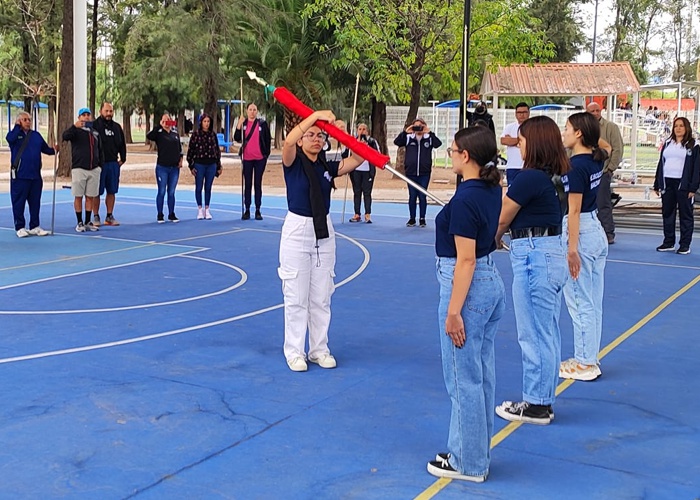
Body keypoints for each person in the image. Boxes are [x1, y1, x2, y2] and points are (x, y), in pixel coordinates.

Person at [426, 126, 505, 483]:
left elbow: (466, 260)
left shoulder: (467, 198)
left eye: (453, 150)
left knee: (462, 380)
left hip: (469, 290)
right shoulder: (487, 189)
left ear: (466, 156)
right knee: (481, 375)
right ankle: (471, 449)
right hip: (490, 284)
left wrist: (454, 311)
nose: (449, 155)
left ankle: (469, 462)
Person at [494, 116, 569, 425]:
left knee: (534, 332)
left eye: (522, 140)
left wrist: (492, 238)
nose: (519, 144)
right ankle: (543, 398)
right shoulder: (557, 176)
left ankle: (537, 403)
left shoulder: (529, 179)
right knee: (546, 331)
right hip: (549, 251)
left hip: (534, 255)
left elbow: (501, 216)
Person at [279, 110, 367, 372]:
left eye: (320, 135)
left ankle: (319, 348)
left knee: (321, 294)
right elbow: (287, 142)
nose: (316, 139)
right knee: (296, 295)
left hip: (323, 231)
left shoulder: (327, 166)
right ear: (302, 139)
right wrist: (315, 116)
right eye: (310, 135)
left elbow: (359, 157)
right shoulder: (292, 161)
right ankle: (294, 351)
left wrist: (343, 134)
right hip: (297, 229)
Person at [559, 112, 611, 381]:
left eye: (567, 128)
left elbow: (574, 209)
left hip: (581, 231)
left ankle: (584, 361)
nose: (563, 132)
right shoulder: (595, 158)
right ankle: (589, 355)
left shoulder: (576, 166)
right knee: (593, 301)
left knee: (580, 301)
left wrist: (571, 248)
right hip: (595, 230)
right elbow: (607, 147)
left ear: (579, 133)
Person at [6, 112, 58, 237]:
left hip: (35, 176)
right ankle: (20, 227)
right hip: (20, 176)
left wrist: (54, 150)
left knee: (35, 202)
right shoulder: (15, 135)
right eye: (25, 120)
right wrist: (17, 127)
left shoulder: (35, 135)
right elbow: (9, 139)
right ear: (19, 121)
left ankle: (35, 225)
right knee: (19, 202)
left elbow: (46, 149)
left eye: (29, 119)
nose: (28, 122)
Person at [653, 117, 700, 254]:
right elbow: (661, 164)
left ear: (687, 128)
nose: (678, 128)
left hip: (683, 185)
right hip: (667, 183)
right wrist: (657, 183)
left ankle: (685, 244)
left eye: (681, 126)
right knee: (667, 213)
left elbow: (697, 168)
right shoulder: (668, 143)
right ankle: (668, 242)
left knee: (685, 215)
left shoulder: (694, 145)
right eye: (676, 126)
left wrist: (693, 187)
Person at [393, 118, 442, 227]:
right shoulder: (409, 138)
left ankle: (422, 218)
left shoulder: (428, 139)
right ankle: (412, 218)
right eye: (416, 126)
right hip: (411, 173)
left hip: (424, 173)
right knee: (412, 196)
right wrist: (406, 131)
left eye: (420, 126)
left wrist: (429, 132)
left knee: (422, 195)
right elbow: (397, 142)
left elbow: (438, 144)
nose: (418, 128)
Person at [586, 102, 623, 244]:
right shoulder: (583, 129)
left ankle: (608, 233)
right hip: (585, 172)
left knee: (603, 203)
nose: (595, 113)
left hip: (603, 172)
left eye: (597, 110)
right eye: (592, 111)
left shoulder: (611, 127)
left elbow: (617, 149)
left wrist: (610, 169)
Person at [62, 107, 103, 233]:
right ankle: (79, 221)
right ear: (79, 117)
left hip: (94, 168)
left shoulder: (94, 133)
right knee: (78, 196)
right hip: (79, 168)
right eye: (83, 115)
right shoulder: (75, 131)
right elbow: (65, 136)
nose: (86, 117)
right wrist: (75, 126)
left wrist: (100, 165)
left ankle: (87, 221)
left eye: (88, 115)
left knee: (90, 196)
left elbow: (100, 149)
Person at [234, 103, 272, 220]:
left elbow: (267, 139)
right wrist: (239, 125)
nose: (252, 112)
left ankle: (258, 209)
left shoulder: (262, 124)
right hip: (247, 159)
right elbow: (237, 138)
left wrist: (266, 155)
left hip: (260, 158)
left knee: (257, 184)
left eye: (254, 110)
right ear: (246, 111)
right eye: (250, 109)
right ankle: (247, 209)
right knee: (248, 184)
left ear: (257, 111)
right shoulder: (244, 124)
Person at [92, 102, 126, 227]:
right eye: (106, 111)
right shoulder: (94, 126)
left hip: (113, 164)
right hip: (99, 165)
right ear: (101, 111)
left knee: (111, 191)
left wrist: (123, 159)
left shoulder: (117, 127)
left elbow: (122, 144)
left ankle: (109, 216)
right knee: (96, 192)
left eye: (111, 111)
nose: (109, 114)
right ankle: (95, 216)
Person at [146, 113, 183, 223]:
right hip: (162, 167)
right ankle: (160, 214)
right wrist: (159, 126)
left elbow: (179, 149)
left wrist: (181, 160)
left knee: (171, 192)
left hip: (174, 168)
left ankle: (171, 213)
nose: (167, 122)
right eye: (165, 120)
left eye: (169, 120)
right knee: (161, 191)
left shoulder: (175, 134)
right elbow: (150, 136)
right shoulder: (159, 133)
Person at [186, 113, 221, 220]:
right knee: (199, 187)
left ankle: (207, 209)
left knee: (208, 187)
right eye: (204, 121)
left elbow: (217, 151)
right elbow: (190, 151)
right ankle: (199, 209)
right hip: (199, 164)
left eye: (208, 122)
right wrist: (191, 166)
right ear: (201, 122)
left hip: (211, 164)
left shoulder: (213, 135)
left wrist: (218, 165)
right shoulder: (196, 135)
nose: (206, 124)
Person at [346, 123, 380, 223]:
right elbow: (345, 153)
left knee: (367, 192)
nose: (362, 131)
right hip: (355, 170)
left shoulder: (372, 141)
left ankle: (367, 214)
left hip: (367, 171)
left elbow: (377, 153)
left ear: (367, 131)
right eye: (360, 129)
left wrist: (368, 145)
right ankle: (357, 214)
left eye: (364, 129)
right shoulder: (353, 141)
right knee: (357, 192)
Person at [500, 102, 530, 185]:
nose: (522, 115)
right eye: (519, 112)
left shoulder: (534, 127)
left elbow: (532, 142)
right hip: (512, 166)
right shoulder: (509, 127)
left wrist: (512, 141)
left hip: (529, 167)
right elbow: (503, 141)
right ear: (515, 114)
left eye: (524, 112)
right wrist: (521, 140)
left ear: (529, 113)